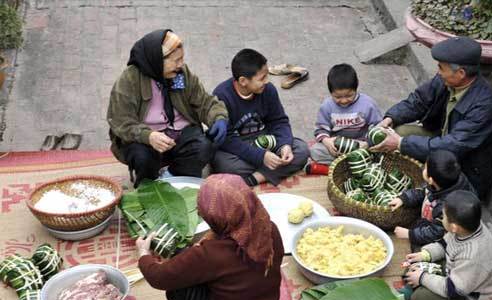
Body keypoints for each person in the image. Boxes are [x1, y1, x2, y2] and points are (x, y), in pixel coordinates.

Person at [136, 174, 284, 300]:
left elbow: (158, 277)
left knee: (179, 281)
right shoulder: (270, 229)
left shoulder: (210, 254)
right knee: (192, 265)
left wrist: (143, 253)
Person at [371, 36, 492, 199]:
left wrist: (401, 144)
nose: (438, 72)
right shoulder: (446, 80)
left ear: (461, 73)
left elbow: (453, 145)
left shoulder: (484, 106)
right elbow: (418, 101)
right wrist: (390, 118)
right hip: (442, 138)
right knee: (398, 130)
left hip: (466, 165)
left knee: (439, 196)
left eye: (441, 68)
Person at [107, 29, 229, 187]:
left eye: (182, 59)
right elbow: (120, 121)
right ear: (158, 61)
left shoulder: (181, 74)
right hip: (145, 137)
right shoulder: (129, 81)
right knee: (143, 158)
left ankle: (174, 175)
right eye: (176, 60)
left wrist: (218, 117)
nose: (181, 65)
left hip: (179, 131)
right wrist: (148, 136)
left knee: (204, 146)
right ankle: (149, 187)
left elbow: (205, 102)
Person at [211, 48, 309, 186]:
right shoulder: (222, 96)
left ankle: (255, 178)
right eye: (262, 78)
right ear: (243, 81)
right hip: (239, 145)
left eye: (267, 75)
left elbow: (279, 120)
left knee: (301, 150)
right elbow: (227, 139)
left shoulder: (268, 90)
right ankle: (272, 170)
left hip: (267, 141)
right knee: (223, 164)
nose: (267, 81)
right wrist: (260, 157)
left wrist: (284, 145)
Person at [402, 190, 492, 300]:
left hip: (467, 295)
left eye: (443, 217)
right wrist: (426, 255)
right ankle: (419, 282)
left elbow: (453, 289)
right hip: (456, 270)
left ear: (454, 227)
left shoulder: (473, 256)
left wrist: (423, 278)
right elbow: (445, 244)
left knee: (420, 299)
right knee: (413, 265)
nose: (441, 218)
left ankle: (418, 286)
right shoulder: (467, 226)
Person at [389, 150, 476, 251]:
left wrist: (410, 234)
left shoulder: (446, 208)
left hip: (439, 238)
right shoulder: (446, 180)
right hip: (428, 220)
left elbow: (435, 232)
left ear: (430, 179)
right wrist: (404, 198)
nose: (423, 169)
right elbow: (423, 191)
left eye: (425, 168)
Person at [308, 63, 382, 174]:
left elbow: (378, 128)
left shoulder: (368, 104)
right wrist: (327, 141)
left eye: (349, 96)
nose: (343, 100)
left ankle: (338, 169)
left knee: (381, 151)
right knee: (315, 151)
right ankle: (354, 166)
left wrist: (367, 143)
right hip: (338, 148)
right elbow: (320, 129)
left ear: (356, 89)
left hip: (361, 146)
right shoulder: (327, 106)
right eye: (337, 97)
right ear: (330, 92)